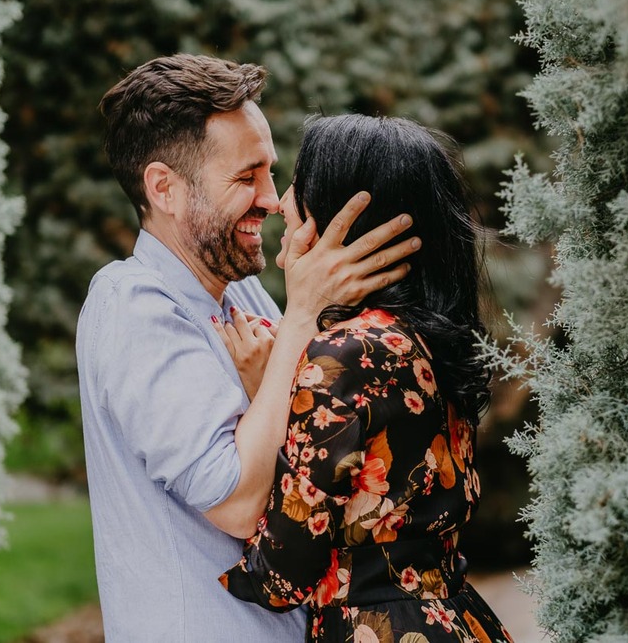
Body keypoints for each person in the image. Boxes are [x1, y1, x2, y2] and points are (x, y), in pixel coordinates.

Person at [76, 55, 420, 641]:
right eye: (246, 177)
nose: (272, 197)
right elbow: (235, 501)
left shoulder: (245, 291)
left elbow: (315, 455)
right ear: (165, 188)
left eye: (270, 171)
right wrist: (302, 318)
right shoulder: (134, 306)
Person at [219, 115, 514, 642]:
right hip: (458, 618)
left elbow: (281, 576)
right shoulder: (419, 337)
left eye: (299, 189)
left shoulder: (344, 354)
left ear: (340, 220)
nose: (280, 204)